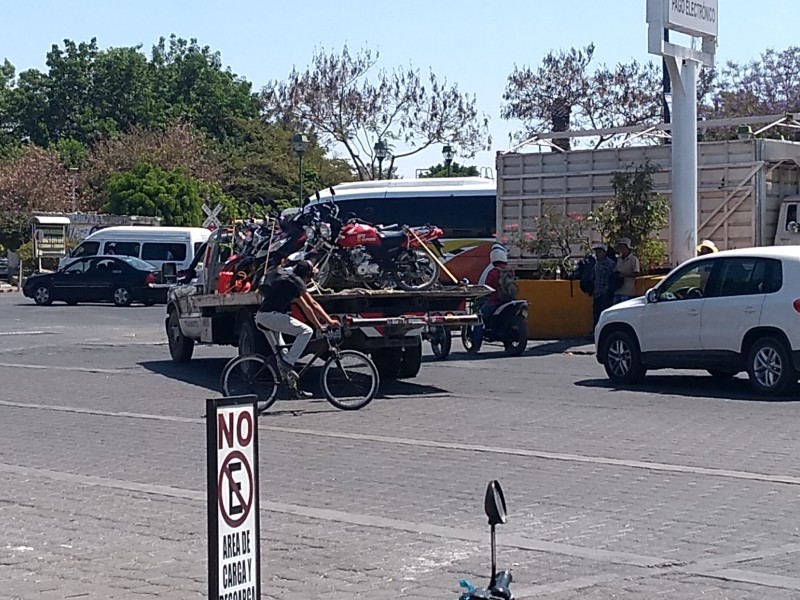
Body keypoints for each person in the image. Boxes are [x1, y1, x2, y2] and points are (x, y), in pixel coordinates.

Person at [255, 260, 339, 392]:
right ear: (306, 276)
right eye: (311, 277)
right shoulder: (296, 282)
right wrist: (329, 322)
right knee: (306, 331)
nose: (310, 280)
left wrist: (319, 326)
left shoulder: (290, 282)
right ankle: (288, 363)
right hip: (270, 316)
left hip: (264, 317)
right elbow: (313, 304)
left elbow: (306, 307)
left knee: (283, 355)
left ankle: (292, 389)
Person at [472, 244, 515, 346]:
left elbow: (487, 288)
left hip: (494, 302)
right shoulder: (510, 271)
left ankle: (475, 346)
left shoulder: (493, 272)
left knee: (479, 318)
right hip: (509, 301)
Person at [591, 243, 616, 331]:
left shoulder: (610, 263)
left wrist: (607, 288)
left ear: (604, 252)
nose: (597, 254)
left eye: (599, 252)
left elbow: (612, 278)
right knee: (596, 312)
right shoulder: (596, 264)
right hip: (597, 292)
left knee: (604, 313)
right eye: (596, 252)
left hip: (606, 293)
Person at [613, 238, 641, 304]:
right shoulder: (618, 259)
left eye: (623, 247)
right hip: (617, 290)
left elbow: (637, 273)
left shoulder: (633, 259)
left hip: (628, 291)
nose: (622, 249)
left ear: (628, 248)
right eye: (620, 247)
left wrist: (624, 275)